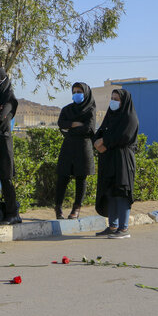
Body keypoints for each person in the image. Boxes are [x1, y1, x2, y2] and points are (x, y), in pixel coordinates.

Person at [93, 89, 138, 239]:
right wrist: (97, 142)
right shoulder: (110, 116)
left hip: (123, 160)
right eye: (112, 98)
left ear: (124, 101)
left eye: (116, 99)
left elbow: (123, 136)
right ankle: (113, 226)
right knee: (110, 192)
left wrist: (105, 142)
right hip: (109, 159)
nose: (113, 102)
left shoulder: (130, 118)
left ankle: (123, 229)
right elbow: (101, 131)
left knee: (122, 193)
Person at [55, 82, 97, 219]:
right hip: (68, 147)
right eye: (74, 91)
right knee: (62, 177)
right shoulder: (67, 109)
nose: (76, 94)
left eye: (79, 91)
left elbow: (89, 129)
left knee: (81, 178)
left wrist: (70, 129)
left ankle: (76, 208)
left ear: (85, 93)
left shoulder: (90, 110)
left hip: (83, 148)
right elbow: (61, 124)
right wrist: (74, 124)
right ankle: (58, 207)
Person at [0, 66, 20, 224]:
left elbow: (0, 117)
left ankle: (13, 213)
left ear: (2, 78)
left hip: (3, 143)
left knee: (5, 179)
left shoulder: (9, 98)